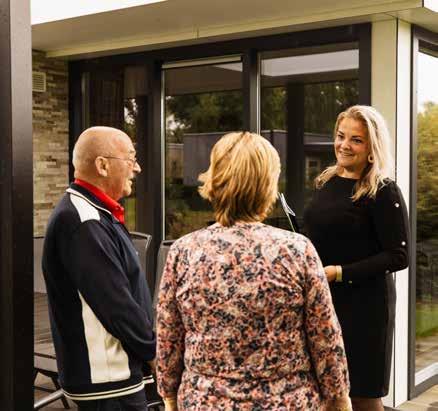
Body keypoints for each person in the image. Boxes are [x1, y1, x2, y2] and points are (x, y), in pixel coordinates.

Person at [156, 131, 352, 411]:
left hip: (204, 401)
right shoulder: (296, 251)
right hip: (286, 401)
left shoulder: (183, 252)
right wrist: (339, 398)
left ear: (214, 179)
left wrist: (169, 396)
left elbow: (169, 337)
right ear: (267, 185)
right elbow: (325, 338)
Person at [303, 105, 410, 411]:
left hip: (365, 308)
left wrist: (339, 272)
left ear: (372, 147)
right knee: (327, 391)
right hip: (324, 301)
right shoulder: (327, 181)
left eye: (356, 140)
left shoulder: (384, 191)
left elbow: (398, 256)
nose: (344, 145)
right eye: (341, 136)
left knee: (361, 393)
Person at [42, 126, 156, 411]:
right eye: (130, 158)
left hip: (111, 376)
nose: (137, 168)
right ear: (103, 165)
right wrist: (154, 351)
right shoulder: (84, 221)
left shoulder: (94, 213)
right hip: (107, 379)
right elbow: (117, 305)